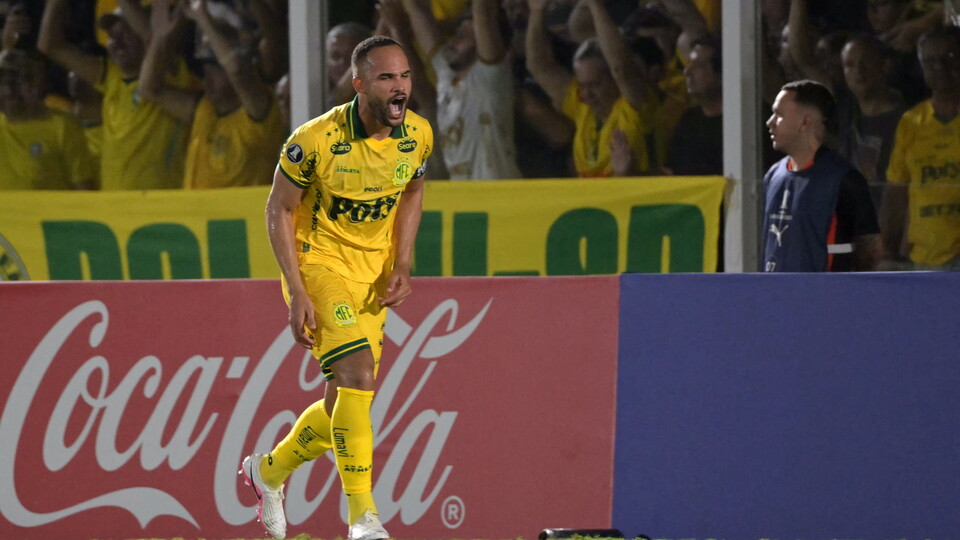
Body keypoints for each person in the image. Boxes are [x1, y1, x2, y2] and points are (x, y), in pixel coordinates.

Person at [242, 35, 432, 540]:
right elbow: (278, 208)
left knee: (342, 407)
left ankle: (269, 472)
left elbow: (413, 188)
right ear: (359, 84)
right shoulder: (315, 140)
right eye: (387, 78)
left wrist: (405, 259)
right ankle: (362, 519)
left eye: (405, 76)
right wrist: (296, 288)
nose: (400, 88)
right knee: (357, 373)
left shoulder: (417, 136)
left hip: (372, 275)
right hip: (318, 265)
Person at [38, 0, 191, 190]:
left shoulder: (169, 72)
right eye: (111, 36)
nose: (116, 42)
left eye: (126, 33)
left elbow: (155, 40)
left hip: (159, 205)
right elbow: (49, 45)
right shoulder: (110, 75)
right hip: (115, 209)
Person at [139, 0, 283, 189]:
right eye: (204, 72)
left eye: (214, 71)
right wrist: (160, 37)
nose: (206, 80)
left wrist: (202, 16)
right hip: (198, 217)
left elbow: (237, 70)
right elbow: (148, 90)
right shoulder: (202, 109)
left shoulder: (259, 112)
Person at [762, 79, 882, 272]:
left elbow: (870, 250)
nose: (770, 122)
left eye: (779, 115)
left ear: (804, 122)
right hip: (777, 297)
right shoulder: (773, 175)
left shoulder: (844, 179)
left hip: (825, 299)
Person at [526, 0, 654, 177]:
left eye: (595, 85)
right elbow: (539, 66)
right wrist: (537, 12)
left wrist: (596, 5)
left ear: (614, 81)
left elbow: (621, 67)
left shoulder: (634, 105)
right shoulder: (581, 107)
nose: (586, 94)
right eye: (582, 86)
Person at [404, 0, 522, 180]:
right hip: (463, 194)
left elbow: (483, 13)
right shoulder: (446, 76)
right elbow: (416, 11)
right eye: (456, 34)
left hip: (497, 194)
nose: (453, 40)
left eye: (464, 36)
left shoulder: (490, 78)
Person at [881, 25, 960, 270]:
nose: (939, 66)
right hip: (929, 257)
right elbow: (897, 192)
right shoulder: (912, 122)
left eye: (949, 57)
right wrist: (886, 251)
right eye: (930, 60)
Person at [0, 48, 96, 190]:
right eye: (2, 83)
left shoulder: (63, 126)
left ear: (34, 83)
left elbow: (84, 188)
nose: (8, 90)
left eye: (16, 81)